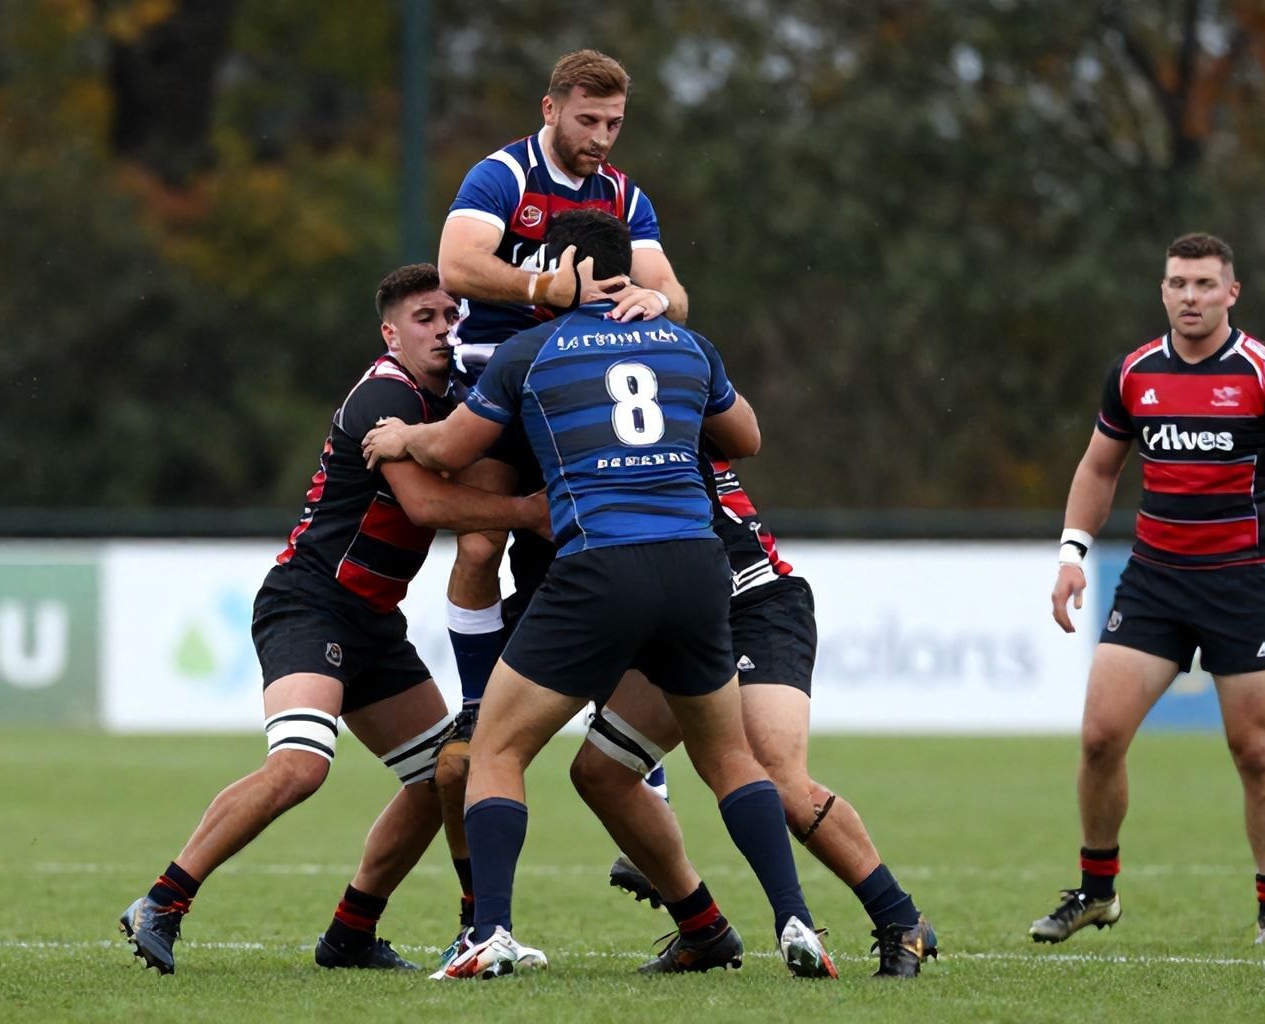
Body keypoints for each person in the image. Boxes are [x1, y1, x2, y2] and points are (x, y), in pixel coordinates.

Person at [365, 210, 835, 980]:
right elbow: (745, 438)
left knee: (498, 749)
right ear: (636, 274)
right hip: (696, 567)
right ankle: (797, 920)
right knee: (728, 757)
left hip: (601, 570)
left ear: (563, 266)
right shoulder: (687, 344)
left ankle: (489, 932)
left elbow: (450, 448)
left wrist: (401, 441)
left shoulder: (531, 350)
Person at [116, 264, 549, 976]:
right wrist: (529, 513)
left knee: (447, 774)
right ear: (390, 332)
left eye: (450, 316)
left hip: (374, 620)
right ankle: (162, 901)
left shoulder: (457, 401)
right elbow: (428, 509)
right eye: (424, 318)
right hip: (309, 600)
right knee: (300, 766)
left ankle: (355, 934)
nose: (443, 329)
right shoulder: (385, 393)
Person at [431, 44, 687, 952]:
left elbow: (674, 290)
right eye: (588, 121)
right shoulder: (503, 174)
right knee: (474, 548)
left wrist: (656, 306)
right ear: (552, 108)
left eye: (614, 124)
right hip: (501, 385)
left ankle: (637, 768)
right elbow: (458, 265)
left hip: (585, 387)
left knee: (615, 562)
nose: (601, 139)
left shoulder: (622, 192)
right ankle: (473, 704)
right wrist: (547, 286)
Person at [1030, 232, 1265, 947]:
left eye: (1204, 284)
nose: (1190, 297)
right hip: (1153, 584)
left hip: (1239, 586)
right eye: (1178, 283)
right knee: (1100, 737)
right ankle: (1097, 892)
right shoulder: (1135, 373)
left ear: (1232, 292)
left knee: (1255, 750)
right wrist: (1073, 554)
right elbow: (1099, 468)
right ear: (1163, 290)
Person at [571, 445, 939, 977]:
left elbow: (745, 431)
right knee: (600, 771)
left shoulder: (648, 394)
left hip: (755, 605)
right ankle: (703, 929)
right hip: (682, 617)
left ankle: (900, 919)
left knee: (778, 775)